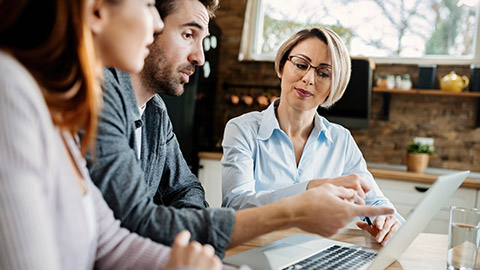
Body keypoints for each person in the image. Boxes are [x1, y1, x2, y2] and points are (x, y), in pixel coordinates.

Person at [86, 0, 396, 258]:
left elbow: (186, 190)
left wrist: (387, 218)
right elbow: (136, 218)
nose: (199, 57)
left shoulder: (155, 112)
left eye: (324, 73)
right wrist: (298, 204)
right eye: (187, 35)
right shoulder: (101, 94)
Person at [0, 0, 223, 269]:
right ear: (97, 10)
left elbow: (109, 242)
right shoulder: (11, 92)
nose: (156, 24)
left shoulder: (52, 108)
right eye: (148, 4)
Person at [221, 27, 404, 246]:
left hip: (316, 255)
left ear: (333, 86)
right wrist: (309, 190)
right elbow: (236, 207)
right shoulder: (242, 130)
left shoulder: (341, 140)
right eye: (300, 65)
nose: (309, 79)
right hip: (254, 253)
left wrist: (386, 220)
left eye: (324, 73)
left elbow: (374, 200)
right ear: (281, 67)